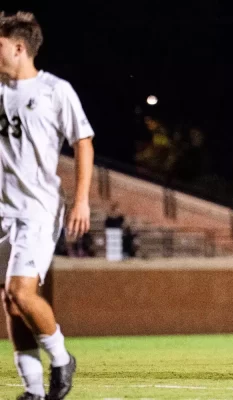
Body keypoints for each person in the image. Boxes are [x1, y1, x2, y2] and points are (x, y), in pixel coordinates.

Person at [0, 12, 92, 399]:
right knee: (10, 300)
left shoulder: (55, 90)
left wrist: (82, 199)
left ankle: (61, 358)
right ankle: (34, 390)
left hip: (38, 209)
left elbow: (82, 141)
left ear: (19, 48)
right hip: (3, 211)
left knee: (21, 291)